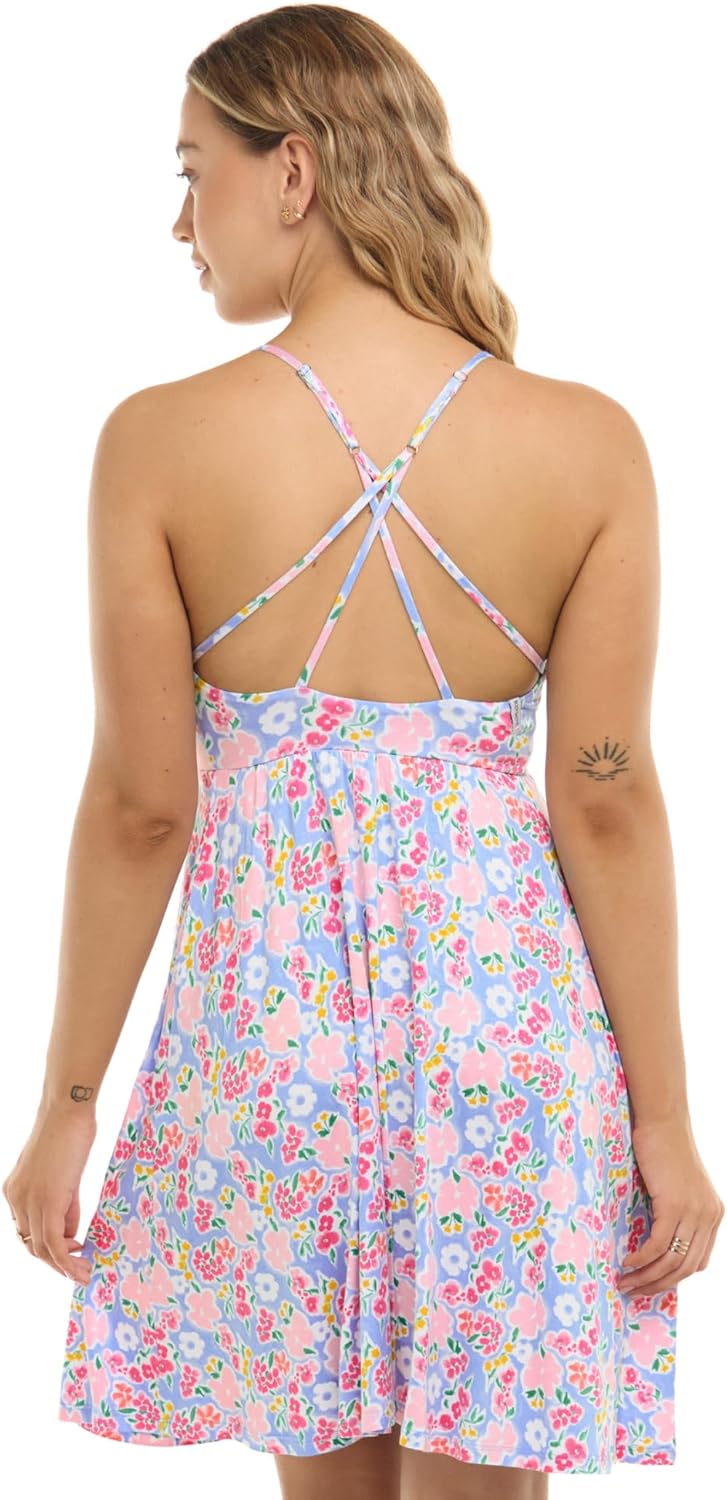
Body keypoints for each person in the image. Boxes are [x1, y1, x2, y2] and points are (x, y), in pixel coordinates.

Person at [2, 4, 723, 1496]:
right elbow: (605, 803)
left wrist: (68, 1109)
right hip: (507, 1051)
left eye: (191, 170)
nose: (178, 222)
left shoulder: (160, 441)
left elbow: (143, 810)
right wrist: (662, 1119)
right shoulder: (586, 443)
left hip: (278, 1049)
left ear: (294, 171)